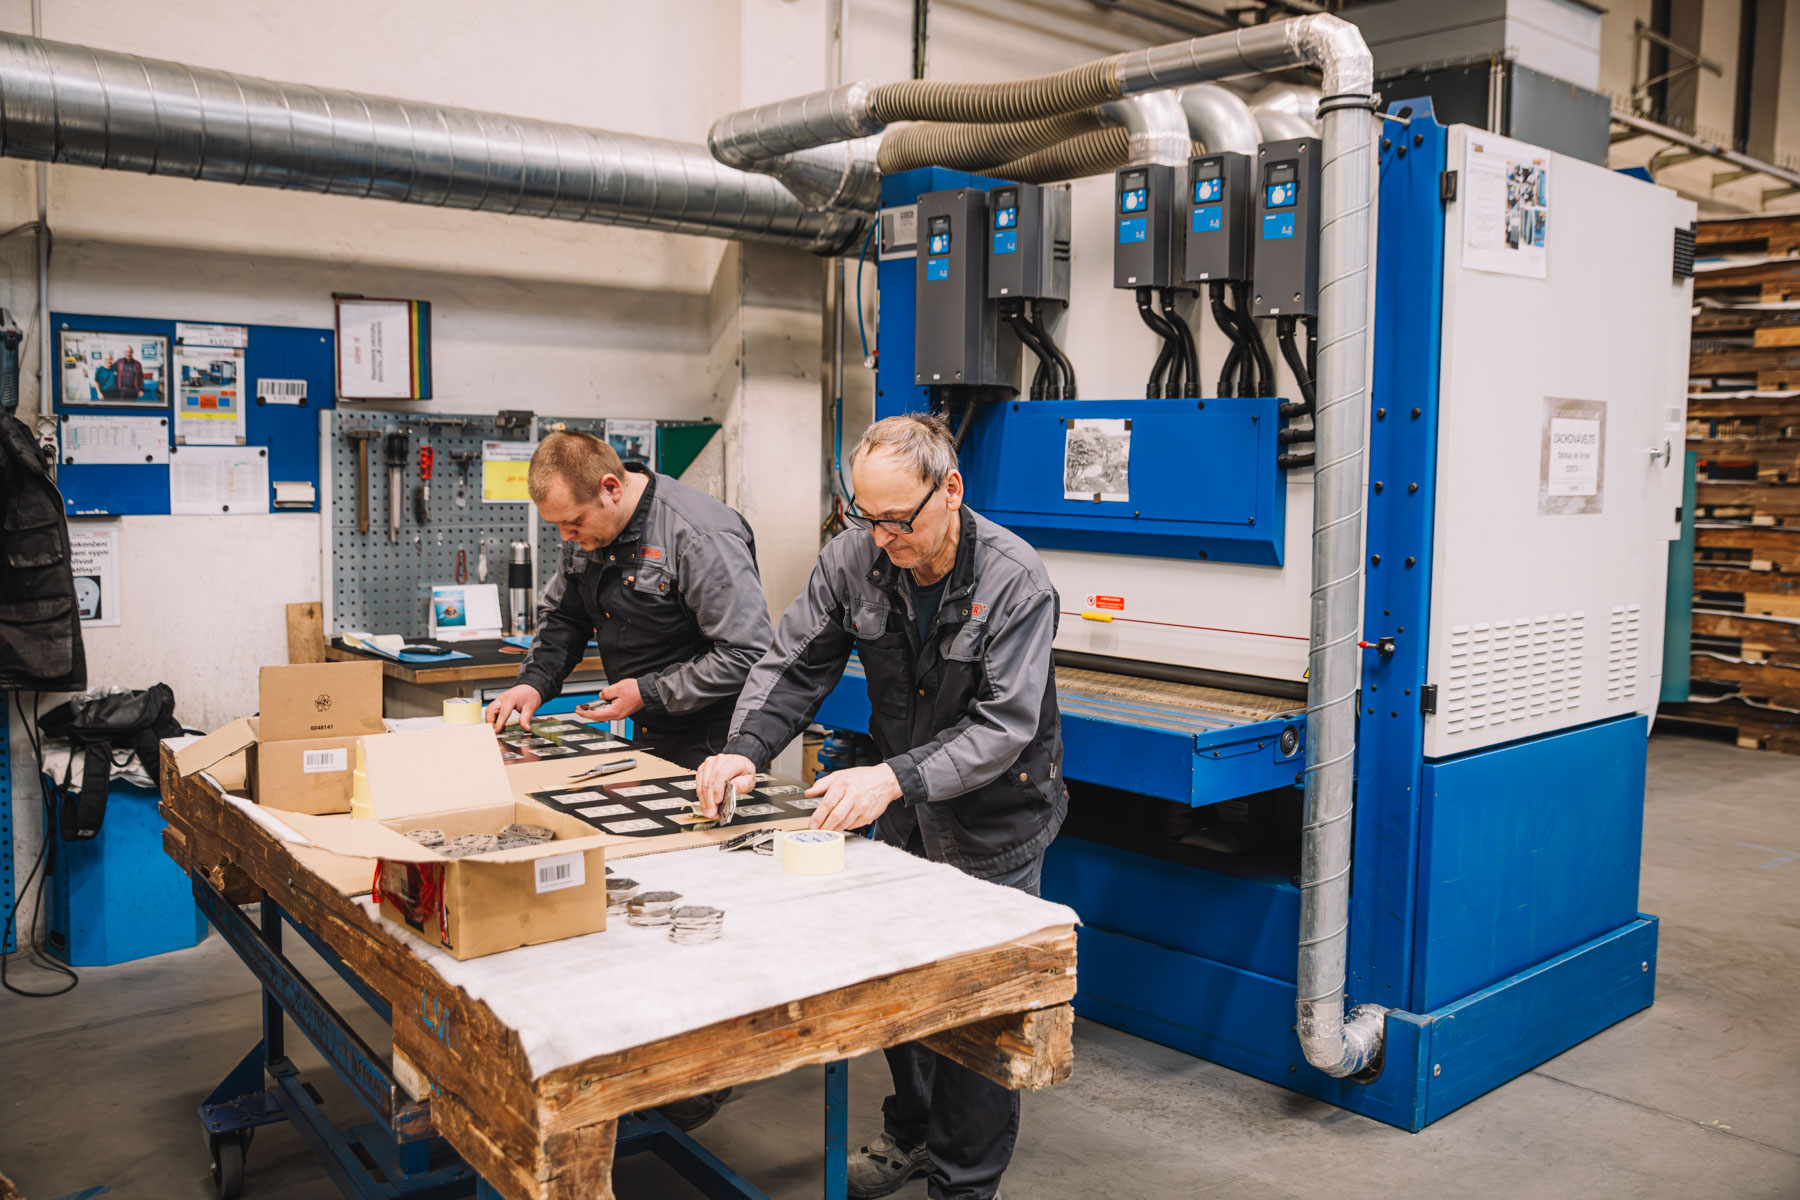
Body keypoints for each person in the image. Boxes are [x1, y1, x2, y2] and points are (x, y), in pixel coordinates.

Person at [696, 412, 1066, 1200]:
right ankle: (913, 1134)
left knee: (972, 1007)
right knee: (899, 984)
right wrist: (744, 748)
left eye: (898, 519)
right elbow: (795, 663)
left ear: (951, 490)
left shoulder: (1016, 580)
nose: (882, 537)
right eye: (865, 516)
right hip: (902, 811)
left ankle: (963, 1184)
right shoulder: (855, 557)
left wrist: (891, 778)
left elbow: (1003, 726)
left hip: (991, 822)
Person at [484, 431, 774, 772]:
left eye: (574, 521)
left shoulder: (700, 536)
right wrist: (532, 683)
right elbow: (566, 618)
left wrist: (648, 692)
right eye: (557, 525)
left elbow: (747, 653)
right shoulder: (588, 533)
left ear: (611, 488)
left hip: (718, 742)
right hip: (651, 729)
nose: (566, 536)